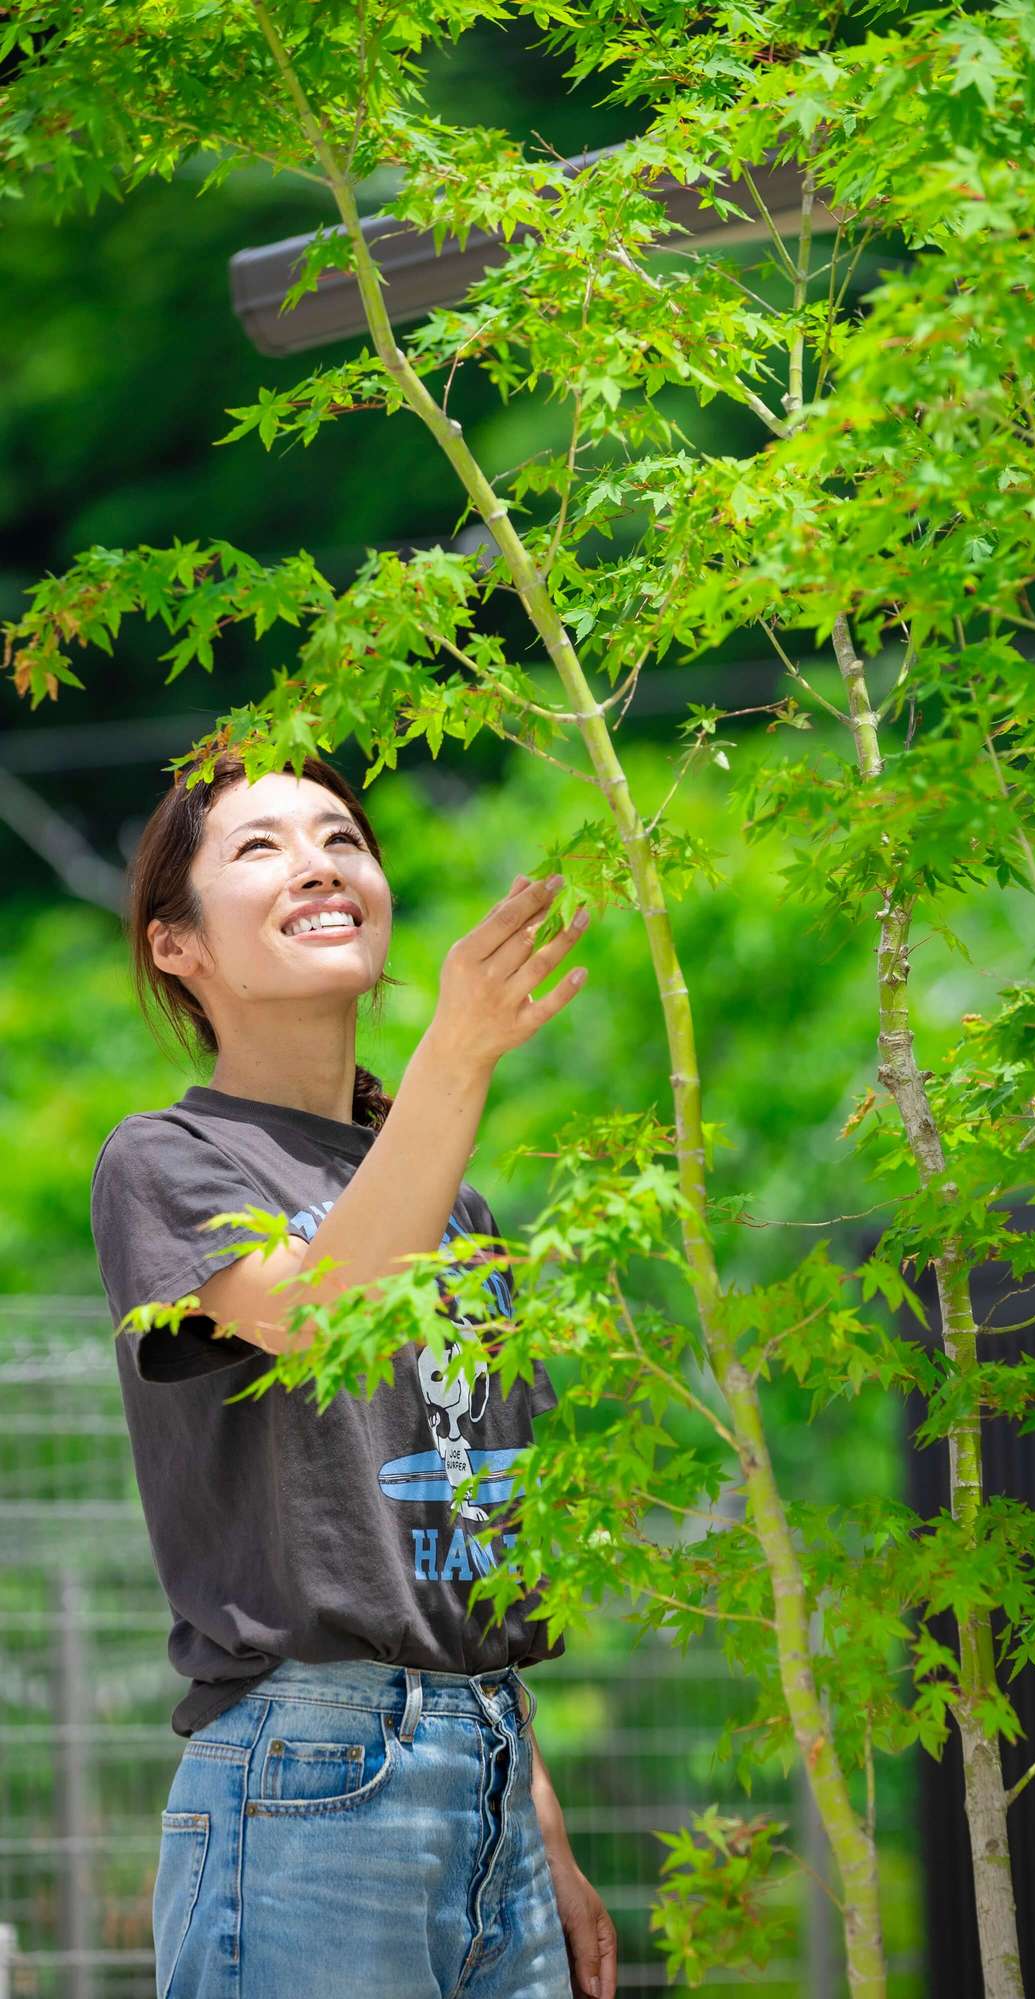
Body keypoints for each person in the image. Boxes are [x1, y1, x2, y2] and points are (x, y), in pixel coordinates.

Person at [89, 752, 617, 1999]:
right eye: (260, 847)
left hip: (485, 1770)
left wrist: (530, 1808)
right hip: (305, 1777)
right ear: (177, 946)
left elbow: (467, 1528)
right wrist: (460, 1051)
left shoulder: (459, 1201)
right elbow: (326, 1314)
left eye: (341, 836)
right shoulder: (167, 1160)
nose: (320, 862)